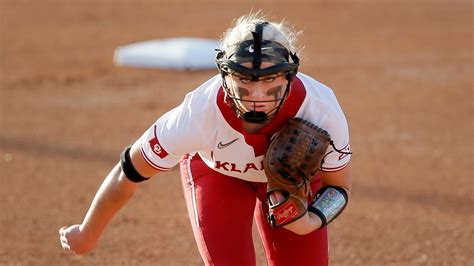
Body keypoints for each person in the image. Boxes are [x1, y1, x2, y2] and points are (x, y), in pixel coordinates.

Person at [59, 12, 352, 266]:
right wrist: (87, 233)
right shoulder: (198, 113)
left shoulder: (320, 108)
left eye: (269, 80)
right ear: (225, 76)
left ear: (289, 76)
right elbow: (130, 172)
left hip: (293, 184)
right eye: (245, 81)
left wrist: (311, 220)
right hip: (217, 176)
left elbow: (338, 187)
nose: (258, 96)